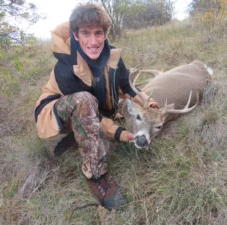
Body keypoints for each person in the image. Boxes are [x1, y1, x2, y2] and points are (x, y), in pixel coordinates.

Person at [34, 3, 159, 210]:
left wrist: (149, 102)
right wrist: (122, 134)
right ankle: (95, 175)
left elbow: (127, 87)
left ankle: (79, 135)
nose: (93, 41)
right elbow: (92, 116)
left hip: (89, 108)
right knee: (85, 101)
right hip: (56, 111)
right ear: (75, 35)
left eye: (98, 33)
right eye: (85, 33)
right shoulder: (65, 68)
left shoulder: (113, 57)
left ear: (105, 34)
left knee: (90, 105)